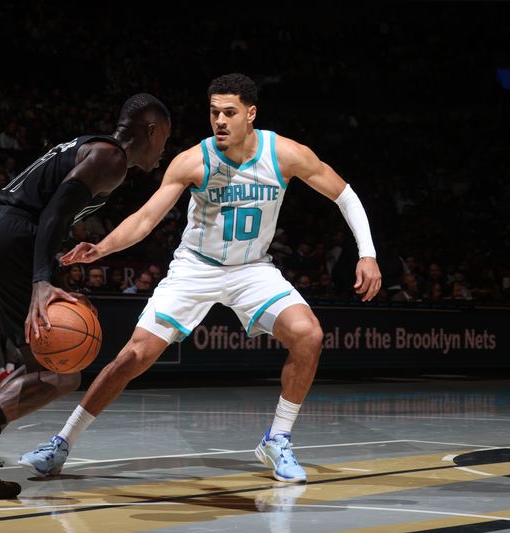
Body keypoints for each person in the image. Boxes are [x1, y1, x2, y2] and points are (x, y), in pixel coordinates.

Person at [21, 73, 381, 484]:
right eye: (214, 113)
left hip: (252, 270)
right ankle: (61, 444)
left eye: (229, 112)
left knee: (309, 335)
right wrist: (102, 248)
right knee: (132, 357)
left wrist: (367, 255)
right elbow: (146, 218)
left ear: (251, 114)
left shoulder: (284, 154)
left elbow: (345, 195)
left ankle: (277, 439)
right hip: (195, 267)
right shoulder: (193, 161)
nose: (220, 121)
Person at [0, 93, 172, 502]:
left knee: (38, 366)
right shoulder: (112, 158)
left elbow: (52, 210)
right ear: (152, 130)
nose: (164, 151)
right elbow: (54, 211)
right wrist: (40, 280)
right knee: (61, 373)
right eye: (165, 139)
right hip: (14, 240)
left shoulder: (92, 147)